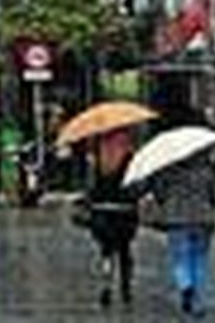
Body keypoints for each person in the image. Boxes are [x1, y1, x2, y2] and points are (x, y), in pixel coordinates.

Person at [146, 147, 215, 318]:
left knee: (180, 257)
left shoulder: (169, 171)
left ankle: (185, 286)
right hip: (203, 218)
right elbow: (212, 195)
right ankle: (197, 300)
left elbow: (160, 194)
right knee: (199, 259)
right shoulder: (206, 170)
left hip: (176, 219)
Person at [84, 129, 140, 307]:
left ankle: (106, 284)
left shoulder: (98, 157)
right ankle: (126, 289)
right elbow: (135, 185)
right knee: (125, 251)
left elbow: (92, 188)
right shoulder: (130, 157)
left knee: (106, 252)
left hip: (103, 211)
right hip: (125, 211)